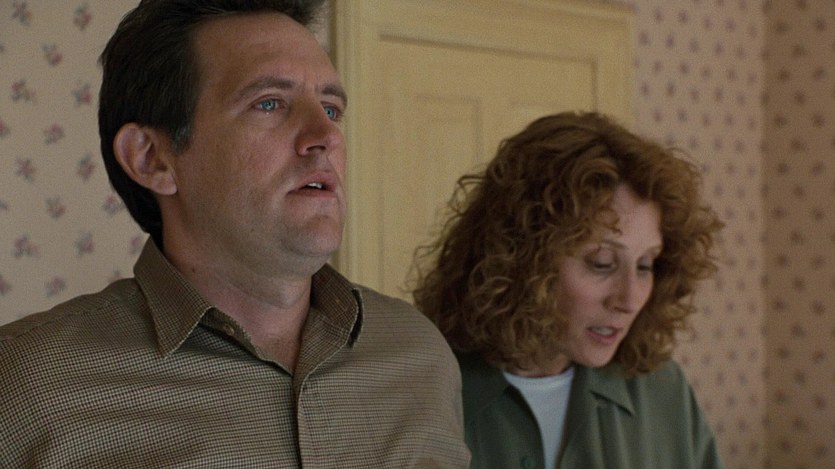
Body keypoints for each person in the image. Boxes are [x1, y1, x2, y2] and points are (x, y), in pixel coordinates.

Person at [0, 1, 469, 467]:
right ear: (152, 159)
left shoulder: (420, 356)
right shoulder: (25, 386)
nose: (325, 135)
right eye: (269, 103)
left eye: (330, 108)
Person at [411, 111, 725, 468]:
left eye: (645, 265)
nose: (630, 299)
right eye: (601, 263)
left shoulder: (663, 392)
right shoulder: (426, 394)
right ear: (522, 259)